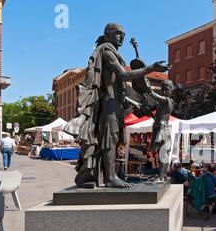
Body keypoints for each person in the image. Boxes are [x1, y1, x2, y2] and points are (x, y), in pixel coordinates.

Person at [63, 23, 169, 188]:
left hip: (116, 103)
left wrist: (132, 102)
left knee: (112, 139)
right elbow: (123, 75)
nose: (121, 37)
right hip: (108, 104)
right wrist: (150, 68)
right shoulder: (106, 51)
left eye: (123, 35)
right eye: (118, 34)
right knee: (108, 139)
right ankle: (110, 178)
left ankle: (106, 175)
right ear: (108, 33)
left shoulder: (115, 54)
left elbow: (120, 86)